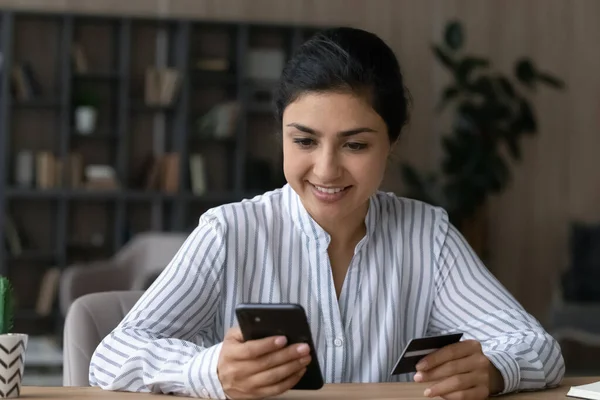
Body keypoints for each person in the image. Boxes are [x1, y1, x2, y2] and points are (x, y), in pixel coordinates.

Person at [89, 27, 564, 400]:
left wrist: (495, 370)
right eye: (303, 141)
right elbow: (112, 356)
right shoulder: (230, 232)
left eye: (355, 144)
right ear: (281, 134)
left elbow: (538, 347)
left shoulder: (428, 234)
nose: (326, 169)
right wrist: (210, 370)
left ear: (391, 144)